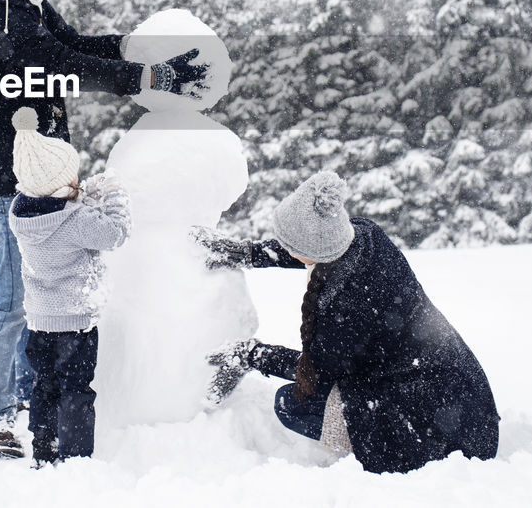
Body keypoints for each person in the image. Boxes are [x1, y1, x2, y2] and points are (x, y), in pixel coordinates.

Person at [0, 0, 207, 458]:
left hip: (35, 170)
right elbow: (58, 64)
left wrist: (136, 51)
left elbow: (68, 45)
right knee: (14, 295)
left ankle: (20, 393)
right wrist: (147, 77)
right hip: (2, 174)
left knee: (33, 291)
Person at [195, 171, 500, 474]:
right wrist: (249, 253)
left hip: (445, 429)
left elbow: (314, 375)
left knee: (292, 404)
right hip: (463, 391)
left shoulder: (346, 308)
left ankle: (392, 446)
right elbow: (312, 249)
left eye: (289, 244)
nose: (287, 249)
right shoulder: (365, 235)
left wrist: (253, 355)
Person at [6, 107, 131, 466]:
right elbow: (115, 232)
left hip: (39, 321)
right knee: (75, 390)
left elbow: (56, 207)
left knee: (44, 386)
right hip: (75, 323)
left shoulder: (21, 215)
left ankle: (44, 450)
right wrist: (113, 196)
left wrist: (77, 195)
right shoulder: (75, 220)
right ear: (61, 184)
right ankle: (75, 457)